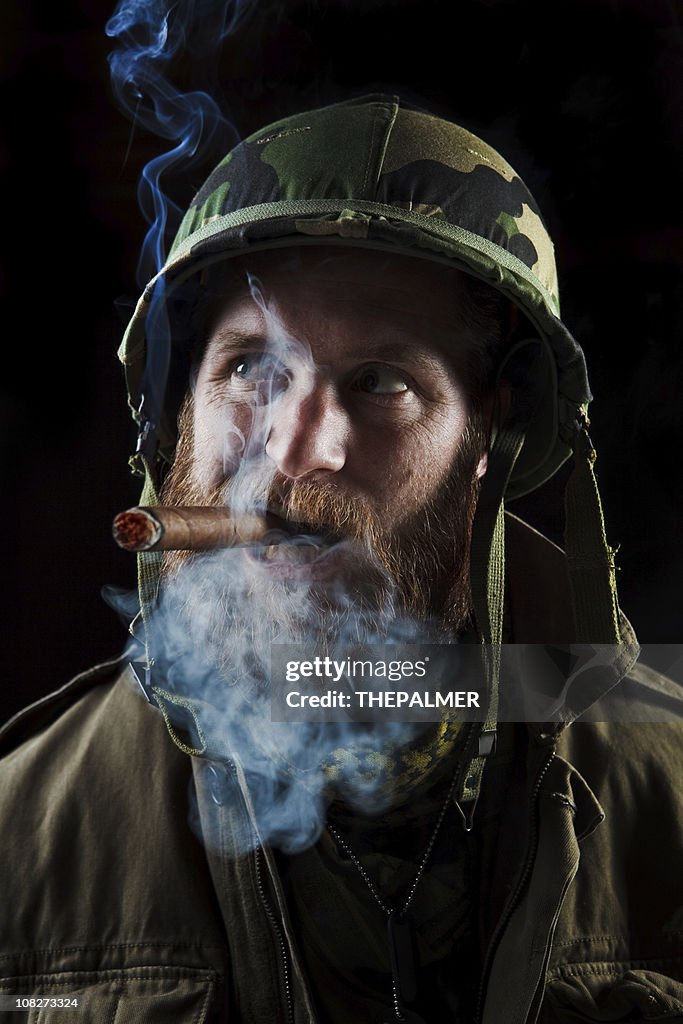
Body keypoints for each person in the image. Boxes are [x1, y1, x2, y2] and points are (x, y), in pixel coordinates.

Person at [1, 94, 681, 1023]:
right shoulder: (19, 832)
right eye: (250, 369)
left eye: (381, 382)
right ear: (177, 413)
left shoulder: (671, 793)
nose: (298, 450)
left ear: (493, 440)